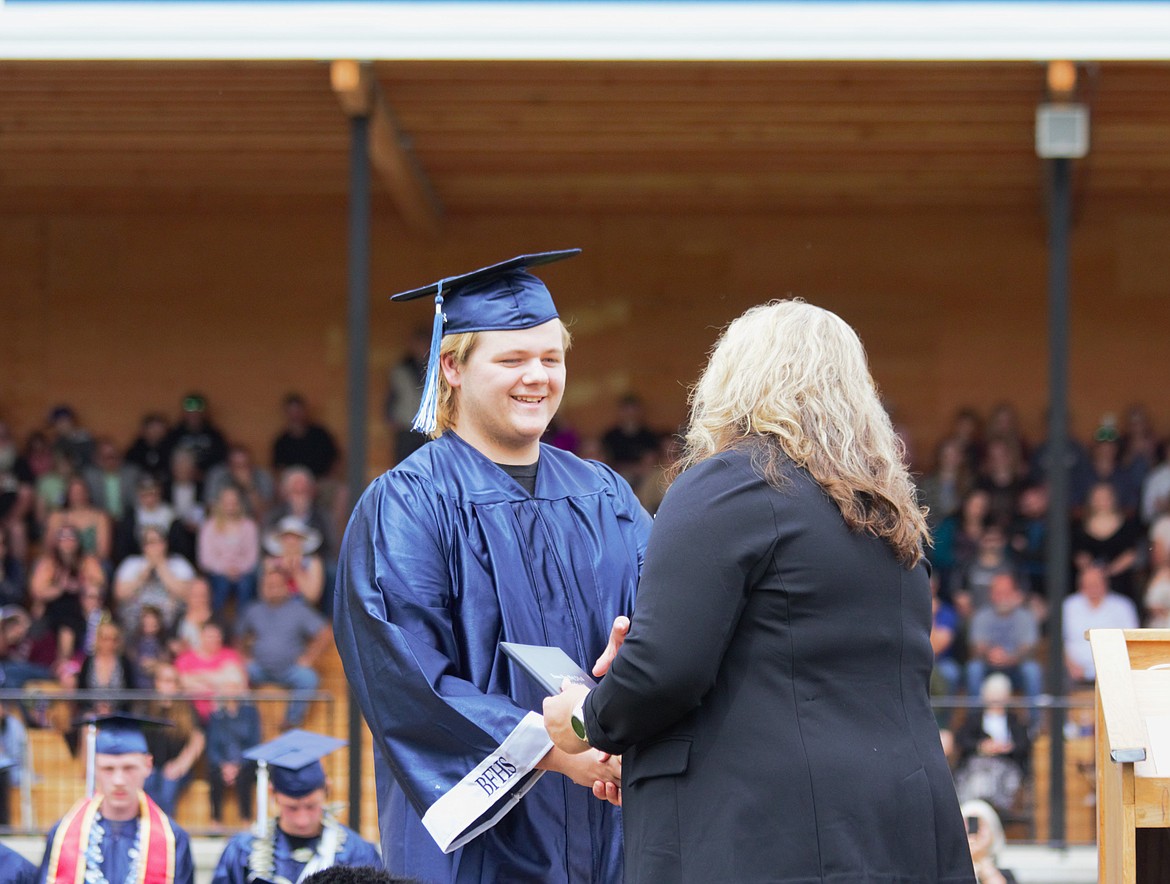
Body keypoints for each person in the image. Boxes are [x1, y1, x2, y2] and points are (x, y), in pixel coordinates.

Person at [543, 299, 974, 883]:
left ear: (732, 380)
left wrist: (584, 719)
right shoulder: (889, 519)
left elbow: (664, 671)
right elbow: (790, 676)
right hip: (899, 829)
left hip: (773, 838)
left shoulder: (733, 482)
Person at [335, 250, 650, 883]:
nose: (536, 377)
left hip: (608, 823)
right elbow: (408, 681)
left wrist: (632, 690)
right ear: (450, 366)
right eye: (511, 359)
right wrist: (559, 753)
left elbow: (665, 624)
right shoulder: (407, 503)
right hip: (482, 839)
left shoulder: (605, 494)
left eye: (550, 358)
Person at [37, 712, 195, 884]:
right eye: (108, 769)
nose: (118, 780)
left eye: (129, 768)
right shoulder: (62, 835)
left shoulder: (174, 840)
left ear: (148, 766)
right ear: (94, 768)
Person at [210, 730, 381, 884]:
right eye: (292, 808)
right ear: (272, 793)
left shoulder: (357, 854)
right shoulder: (242, 853)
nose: (302, 820)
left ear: (327, 789)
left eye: (311, 806)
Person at [237, 558, 330, 729]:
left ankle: (291, 722)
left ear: (287, 587)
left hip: (290, 670)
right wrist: (244, 656)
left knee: (309, 678)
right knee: (237, 673)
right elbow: (238, 635)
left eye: (276, 585)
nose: (271, 589)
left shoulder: (299, 609)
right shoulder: (253, 609)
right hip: (259, 669)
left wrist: (309, 658)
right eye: (268, 585)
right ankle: (244, 720)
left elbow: (324, 633)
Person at [139, 662, 205, 815]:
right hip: (151, 766)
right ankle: (151, 827)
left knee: (168, 784)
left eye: (172, 681)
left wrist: (181, 764)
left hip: (177, 767)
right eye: (164, 681)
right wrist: (144, 763)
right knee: (149, 782)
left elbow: (198, 739)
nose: (168, 686)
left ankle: (165, 829)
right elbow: (139, 739)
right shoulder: (146, 707)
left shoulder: (187, 709)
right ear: (156, 683)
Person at [1062, 563, 1140, 686]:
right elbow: (1059, 641)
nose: (1092, 588)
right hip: (1073, 672)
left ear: (1105, 584)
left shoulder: (1123, 606)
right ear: (1080, 586)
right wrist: (1071, 666)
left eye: (1096, 584)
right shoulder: (1069, 606)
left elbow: (1132, 642)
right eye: (1088, 585)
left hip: (1114, 672)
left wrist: (1114, 667)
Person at [198, 484, 260, 614]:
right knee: (221, 585)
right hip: (217, 572)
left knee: (246, 584)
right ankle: (216, 623)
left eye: (234, 502)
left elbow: (252, 557)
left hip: (243, 572)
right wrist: (225, 569)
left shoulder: (249, 526)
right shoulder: (209, 526)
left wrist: (237, 569)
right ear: (219, 504)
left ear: (240, 504)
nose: (230, 506)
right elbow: (205, 558)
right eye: (227, 503)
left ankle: (242, 628)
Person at [272, 393, 340, 480]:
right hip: (294, 485)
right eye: (292, 412)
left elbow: (336, 459)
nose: (295, 416)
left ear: (304, 411)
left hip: (321, 482)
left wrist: (329, 478)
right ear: (287, 413)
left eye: (298, 411)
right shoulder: (281, 441)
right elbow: (279, 469)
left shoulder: (320, 434)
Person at [960, 799, 1019, 884]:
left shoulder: (1006, 875)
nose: (974, 832)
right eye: (968, 824)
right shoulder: (949, 873)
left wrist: (983, 862)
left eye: (981, 825)